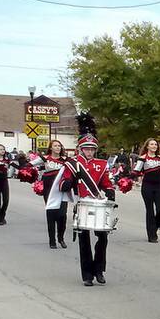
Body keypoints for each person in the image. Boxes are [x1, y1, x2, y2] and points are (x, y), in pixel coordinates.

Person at [60, 113, 115, 287]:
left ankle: (99, 270)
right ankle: (87, 275)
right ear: (80, 149)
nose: (90, 152)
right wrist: (69, 181)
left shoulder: (101, 164)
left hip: (98, 204)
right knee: (84, 241)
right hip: (82, 203)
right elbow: (63, 184)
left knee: (103, 238)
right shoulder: (73, 163)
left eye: (92, 149)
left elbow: (106, 183)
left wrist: (109, 191)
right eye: (87, 149)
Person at [34, 140, 70, 248]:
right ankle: (52, 241)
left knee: (62, 215)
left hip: (62, 190)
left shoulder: (66, 160)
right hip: (49, 190)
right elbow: (29, 165)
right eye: (55, 146)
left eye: (59, 146)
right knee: (51, 215)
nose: (58, 148)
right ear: (51, 148)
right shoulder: (45, 158)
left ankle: (61, 238)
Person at [132, 138, 160, 243]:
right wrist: (127, 180)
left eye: (156, 144)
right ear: (147, 146)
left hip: (158, 187)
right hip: (147, 187)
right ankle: (151, 235)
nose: (154, 146)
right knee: (150, 211)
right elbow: (136, 172)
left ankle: (154, 228)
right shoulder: (142, 158)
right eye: (152, 144)